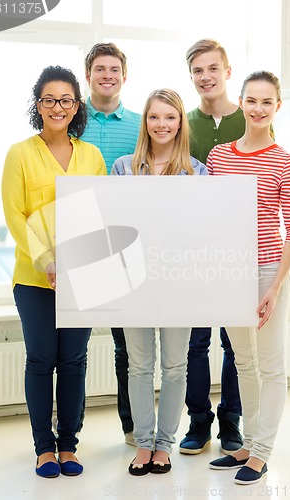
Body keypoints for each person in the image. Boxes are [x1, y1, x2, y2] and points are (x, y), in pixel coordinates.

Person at [1, 65, 107, 478]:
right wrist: (46, 261)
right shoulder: (20, 154)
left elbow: (99, 215)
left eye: (66, 99)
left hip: (82, 277)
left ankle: (69, 446)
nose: (57, 107)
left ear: (77, 105)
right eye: (49, 99)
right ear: (38, 105)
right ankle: (44, 448)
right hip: (34, 279)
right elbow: (15, 214)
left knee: (75, 361)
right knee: (41, 360)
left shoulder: (92, 156)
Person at [208, 71, 290, 484]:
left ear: (277, 107)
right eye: (252, 100)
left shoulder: (285, 161)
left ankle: (262, 452)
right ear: (241, 103)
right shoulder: (218, 157)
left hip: (268, 272)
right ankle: (247, 444)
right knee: (243, 362)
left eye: (267, 102)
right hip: (230, 271)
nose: (259, 109)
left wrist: (275, 287)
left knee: (271, 365)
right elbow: (208, 219)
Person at [112, 88, 208, 475]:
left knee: (174, 367)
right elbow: (115, 225)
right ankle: (143, 442)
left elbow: (203, 229)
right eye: (155, 117)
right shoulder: (123, 168)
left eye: (170, 117)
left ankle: (164, 445)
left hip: (178, 282)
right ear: (145, 122)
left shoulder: (196, 171)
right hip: (133, 282)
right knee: (138, 366)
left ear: (180, 122)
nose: (162, 124)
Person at [179, 38, 245, 456]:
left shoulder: (252, 118)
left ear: (227, 71)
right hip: (192, 249)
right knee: (196, 342)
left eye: (212, 69)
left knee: (234, 342)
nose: (205, 77)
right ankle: (198, 421)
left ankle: (231, 424)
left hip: (237, 248)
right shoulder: (184, 123)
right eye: (197, 71)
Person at [80, 42, 141, 446]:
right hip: (78, 241)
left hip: (125, 246)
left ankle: (132, 426)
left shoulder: (140, 124)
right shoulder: (70, 117)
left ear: (124, 75)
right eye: (99, 69)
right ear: (88, 75)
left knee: (126, 346)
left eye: (114, 69)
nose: (107, 75)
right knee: (73, 346)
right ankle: (68, 434)